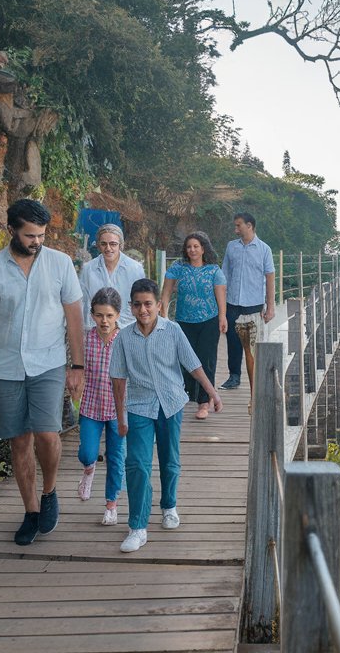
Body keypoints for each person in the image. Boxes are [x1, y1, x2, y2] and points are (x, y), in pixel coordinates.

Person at [0, 198, 84, 546]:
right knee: (19, 441)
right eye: (30, 235)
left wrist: (78, 365)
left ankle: (49, 492)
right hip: (4, 366)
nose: (37, 241)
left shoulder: (61, 265)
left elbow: (75, 317)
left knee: (48, 434)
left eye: (42, 235)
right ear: (12, 230)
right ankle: (31, 511)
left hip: (48, 361)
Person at [110, 279, 223, 552]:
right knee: (137, 464)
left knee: (169, 460)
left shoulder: (172, 331)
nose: (143, 310)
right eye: (137, 304)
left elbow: (193, 364)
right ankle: (137, 526)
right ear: (131, 307)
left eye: (148, 304)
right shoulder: (124, 337)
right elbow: (117, 380)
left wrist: (211, 393)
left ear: (159, 305)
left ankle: (169, 505)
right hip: (138, 406)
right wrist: (120, 418)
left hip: (171, 403)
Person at [160, 232, 227, 420]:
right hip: (183, 321)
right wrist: (163, 316)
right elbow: (165, 293)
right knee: (184, 360)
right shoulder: (178, 268)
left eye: (196, 246)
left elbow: (221, 296)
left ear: (203, 248)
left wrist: (222, 317)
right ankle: (188, 395)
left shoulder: (213, 270)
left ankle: (204, 402)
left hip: (209, 320)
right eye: (189, 246)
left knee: (206, 361)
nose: (192, 250)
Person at [76, 287, 125, 525]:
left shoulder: (126, 339)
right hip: (91, 406)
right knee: (87, 452)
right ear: (92, 315)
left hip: (119, 410)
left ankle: (111, 505)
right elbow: (75, 368)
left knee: (116, 457)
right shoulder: (86, 339)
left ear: (117, 314)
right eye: (99, 315)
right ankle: (89, 469)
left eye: (109, 315)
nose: (104, 321)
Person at [219, 213, 275, 396]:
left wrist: (271, 307)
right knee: (233, 342)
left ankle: (256, 382)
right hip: (232, 302)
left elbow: (270, 278)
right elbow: (224, 274)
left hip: (254, 304)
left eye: (238, 226)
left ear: (249, 226)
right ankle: (234, 376)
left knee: (253, 345)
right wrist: (220, 305)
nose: (235, 229)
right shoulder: (231, 247)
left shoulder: (264, 249)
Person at [79, 223, 146, 330]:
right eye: (104, 244)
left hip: (127, 328)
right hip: (96, 330)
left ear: (121, 245)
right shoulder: (88, 269)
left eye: (113, 244)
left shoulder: (135, 269)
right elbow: (83, 302)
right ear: (98, 245)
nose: (108, 248)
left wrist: (118, 325)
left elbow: (140, 301)